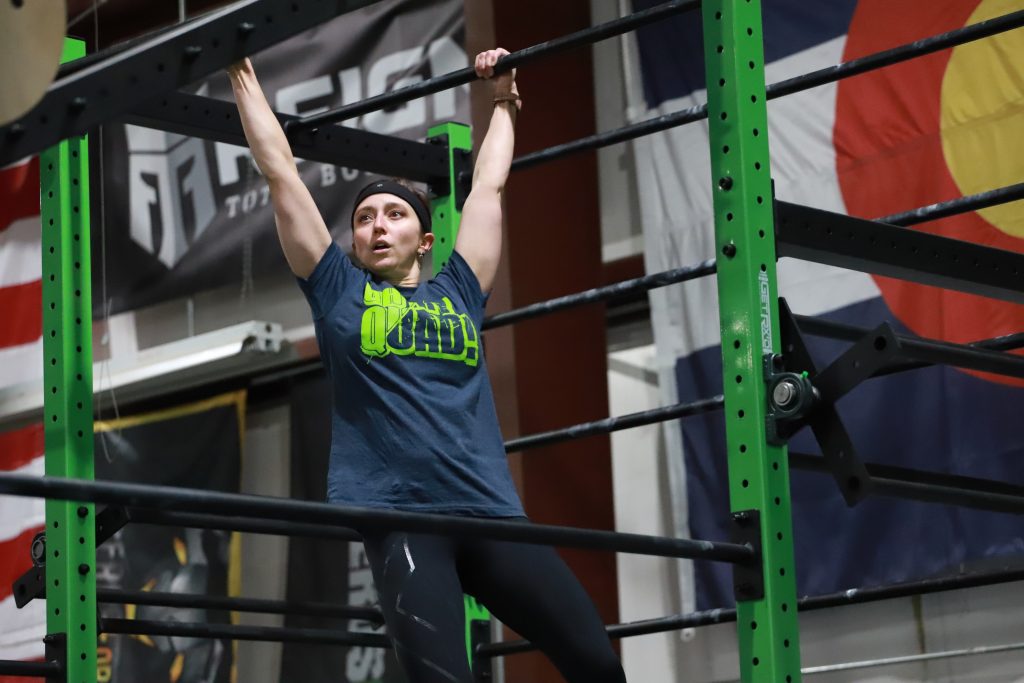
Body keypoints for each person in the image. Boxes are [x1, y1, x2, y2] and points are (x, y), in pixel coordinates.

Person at [228, 48, 627, 683]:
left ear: (426, 238)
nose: (377, 227)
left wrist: (504, 97)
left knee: (599, 666)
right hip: (403, 519)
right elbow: (280, 171)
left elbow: (488, 186)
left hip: (490, 511)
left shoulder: (460, 290)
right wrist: (240, 73)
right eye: (364, 220)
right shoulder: (336, 290)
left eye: (394, 215)